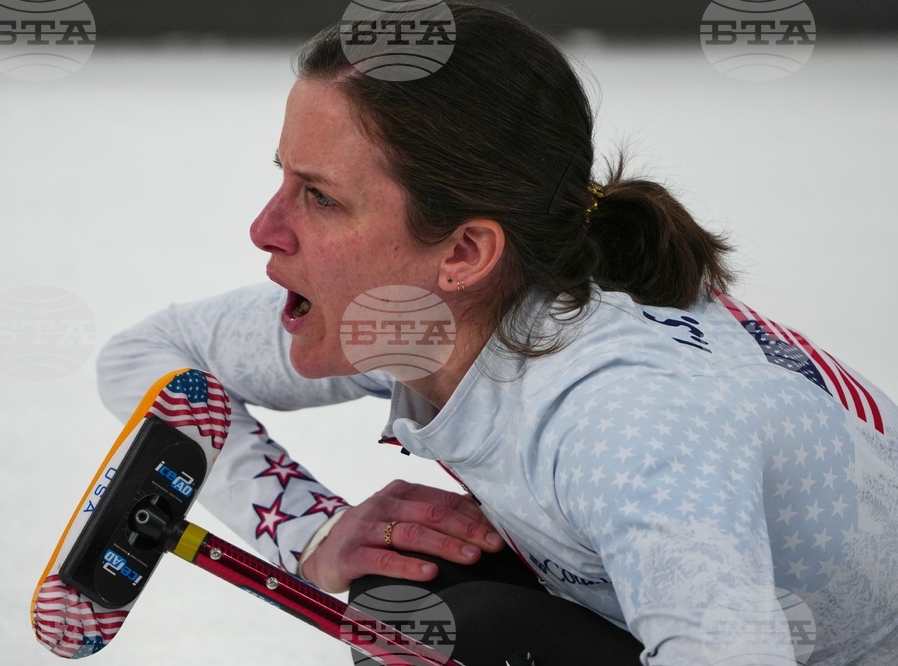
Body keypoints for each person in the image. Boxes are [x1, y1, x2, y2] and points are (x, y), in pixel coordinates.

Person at [96, 4, 898, 664]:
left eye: (319, 198)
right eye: (282, 178)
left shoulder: (626, 427)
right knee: (412, 599)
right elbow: (148, 356)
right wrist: (308, 528)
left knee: (473, 640)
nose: (264, 228)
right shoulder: (435, 316)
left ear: (466, 253)